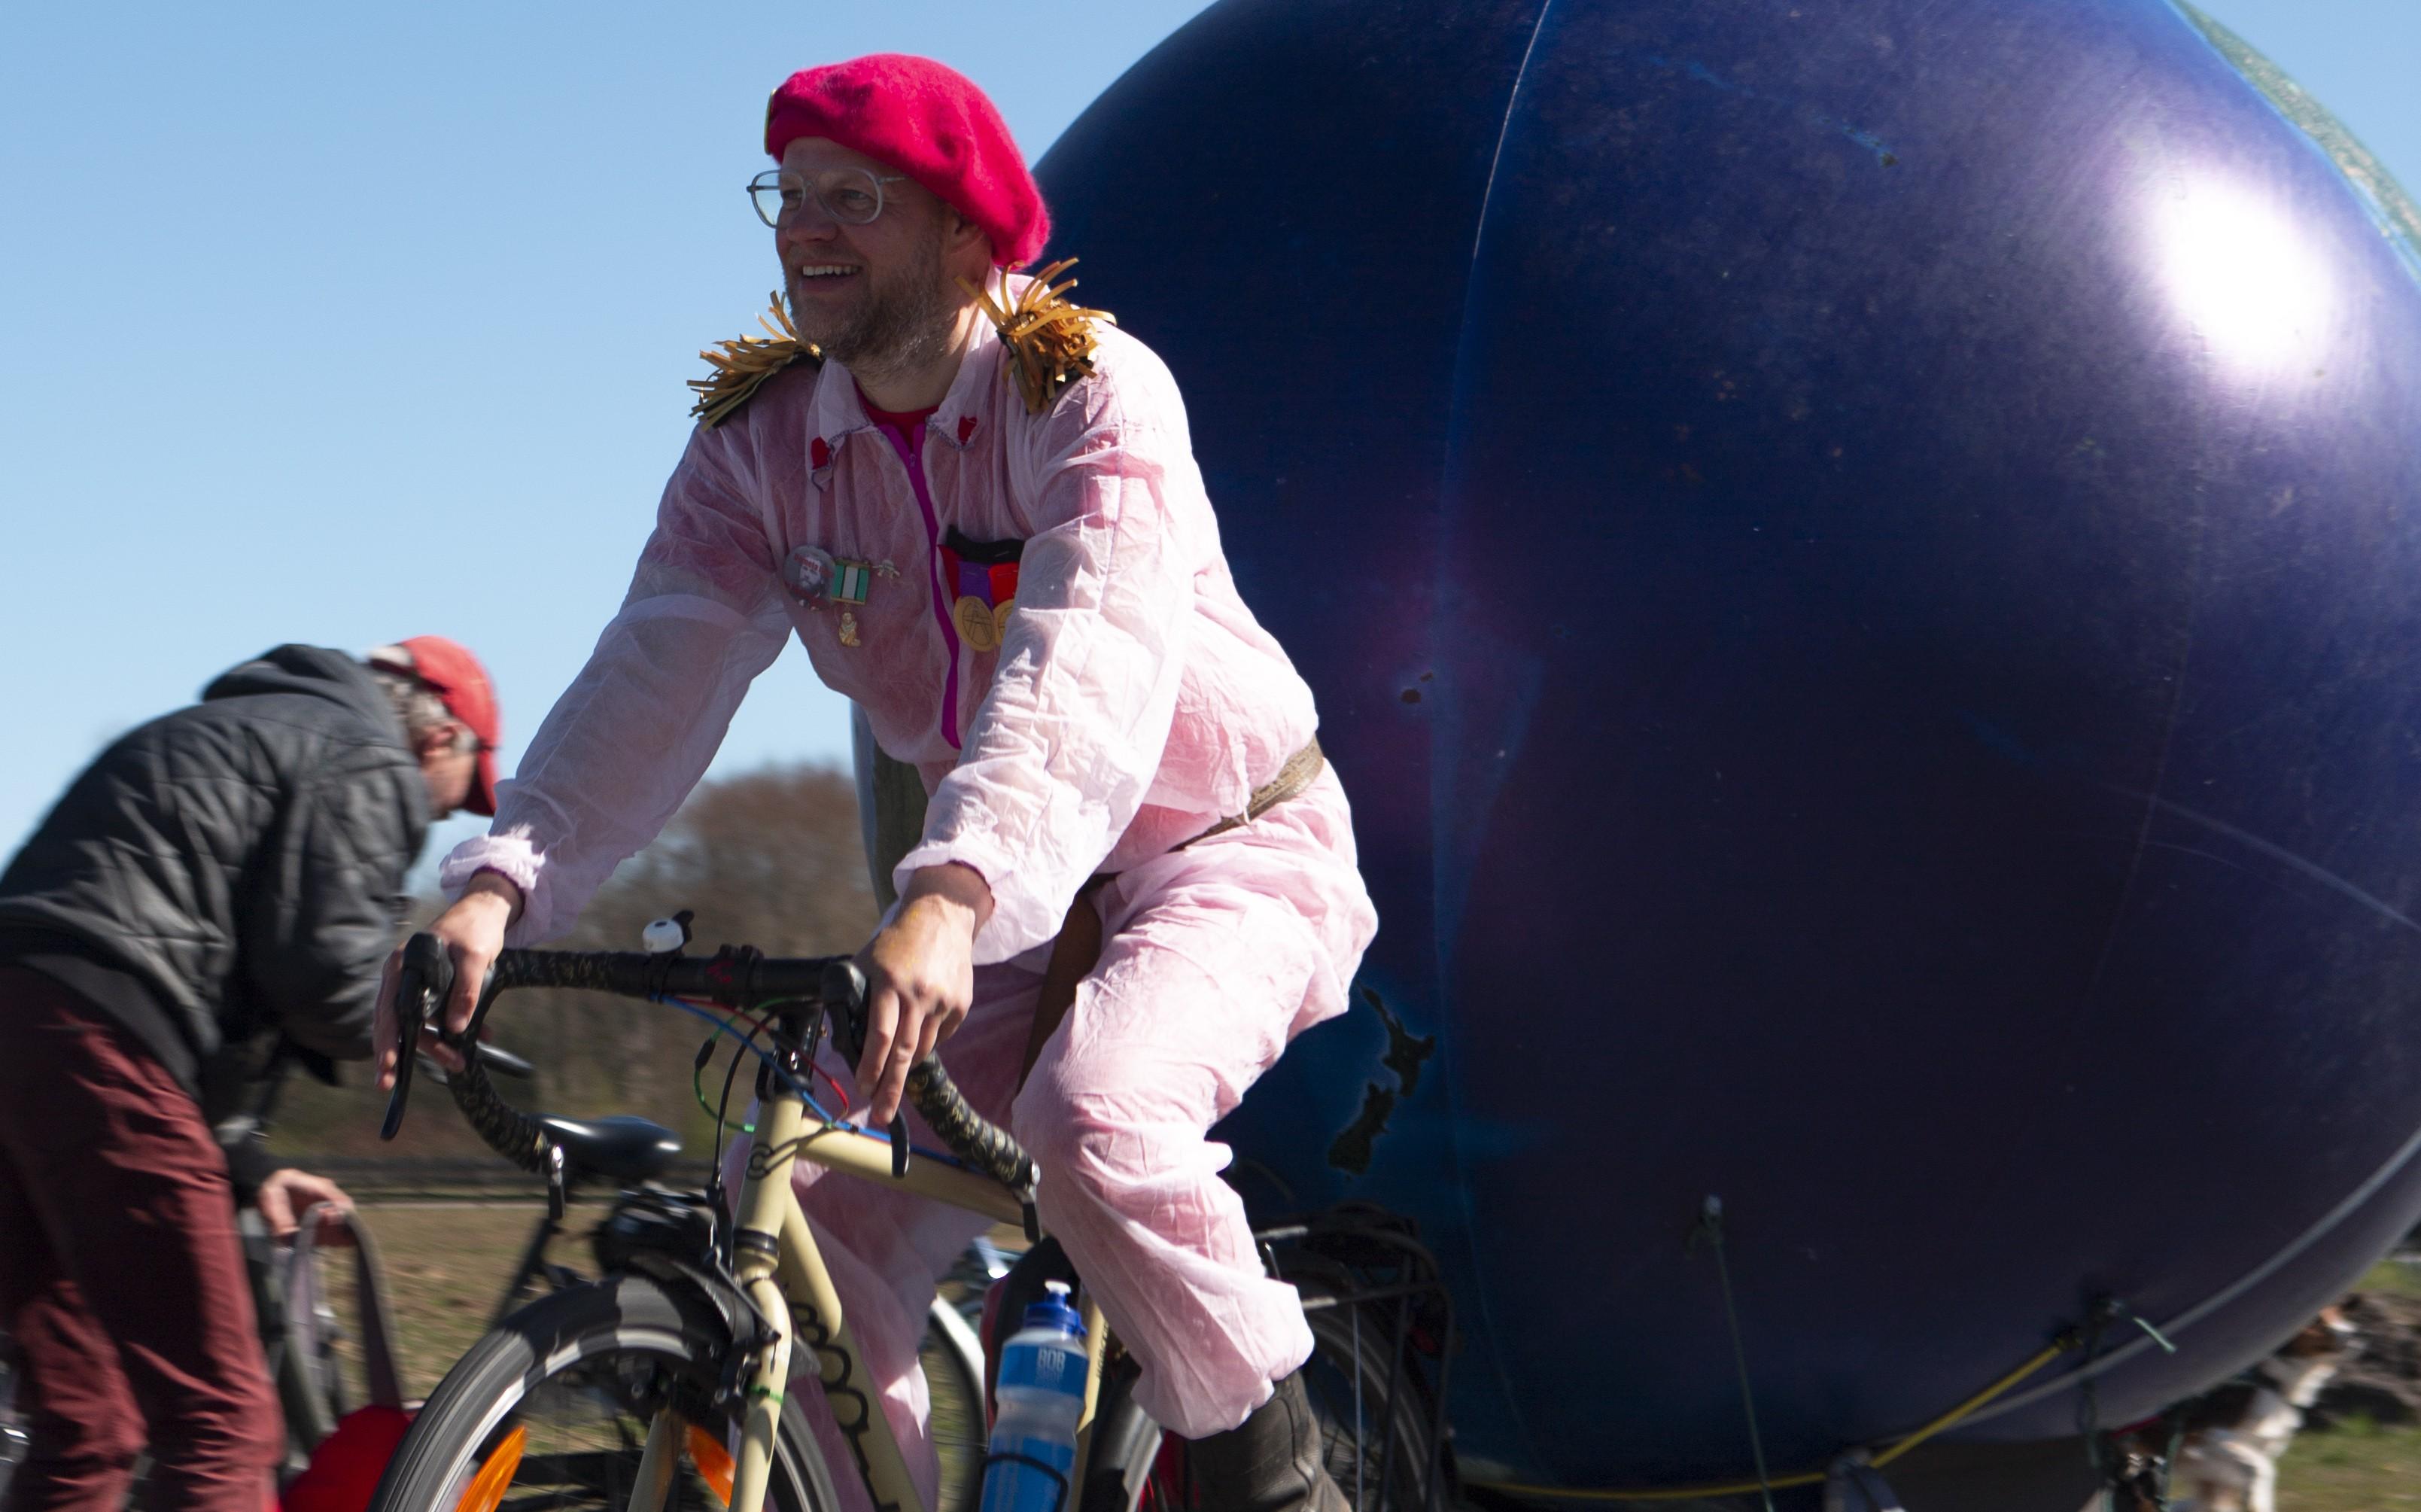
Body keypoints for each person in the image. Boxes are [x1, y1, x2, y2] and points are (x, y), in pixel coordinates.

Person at [387, 52, 1376, 1512]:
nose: (805, 231)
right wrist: (499, 883)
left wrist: (956, 887)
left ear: (969, 230)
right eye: (786, 198)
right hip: (999, 901)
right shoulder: (760, 444)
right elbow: (653, 673)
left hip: (1217, 850)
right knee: (798, 1213)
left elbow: (1081, 656)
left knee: (1094, 1122)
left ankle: (1283, 1474)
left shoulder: (1091, 390)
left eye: (854, 197)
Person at [0, 637, 501, 1512]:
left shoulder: (233, 726)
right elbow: (322, 979)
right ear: (438, 740)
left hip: (30, 1031)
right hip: (105, 1035)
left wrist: (249, 1162)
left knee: (87, 1420)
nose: (438, 821)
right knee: (223, 1423)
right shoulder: (363, 756)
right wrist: (430, 1024)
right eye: (456, 803)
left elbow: (215, 968)